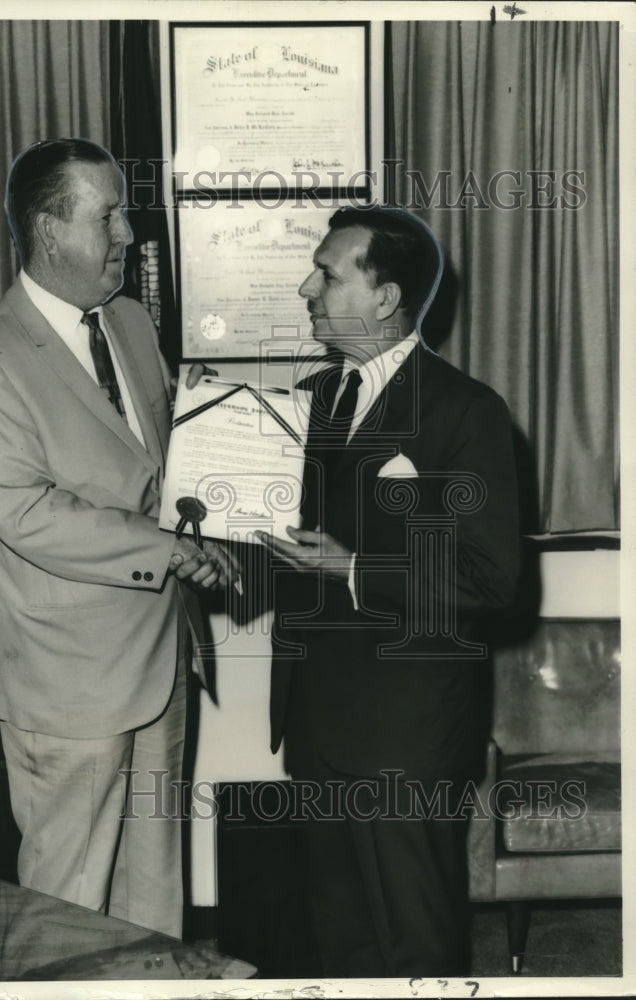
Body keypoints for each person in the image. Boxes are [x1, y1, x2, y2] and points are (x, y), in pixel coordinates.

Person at [0, 138, 233, 937]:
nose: (129, 234)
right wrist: (166, 550)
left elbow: (159, 472)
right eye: (108, 215)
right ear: (48, 231)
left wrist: (223, 510)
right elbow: (26, 512)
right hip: (70, 686)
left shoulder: (132, 323)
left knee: (155, 896)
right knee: (67, 907)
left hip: (165, 660)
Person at [255, 205, 521, 976]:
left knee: (415, 938)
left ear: (384, 298)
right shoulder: (310, 400)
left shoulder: (467, 411)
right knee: (336, 935)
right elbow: (292, 544)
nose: (307, 287)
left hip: (408, 732)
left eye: (328, 273)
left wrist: (353, 568)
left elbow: (493, 579)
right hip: (314, 716)